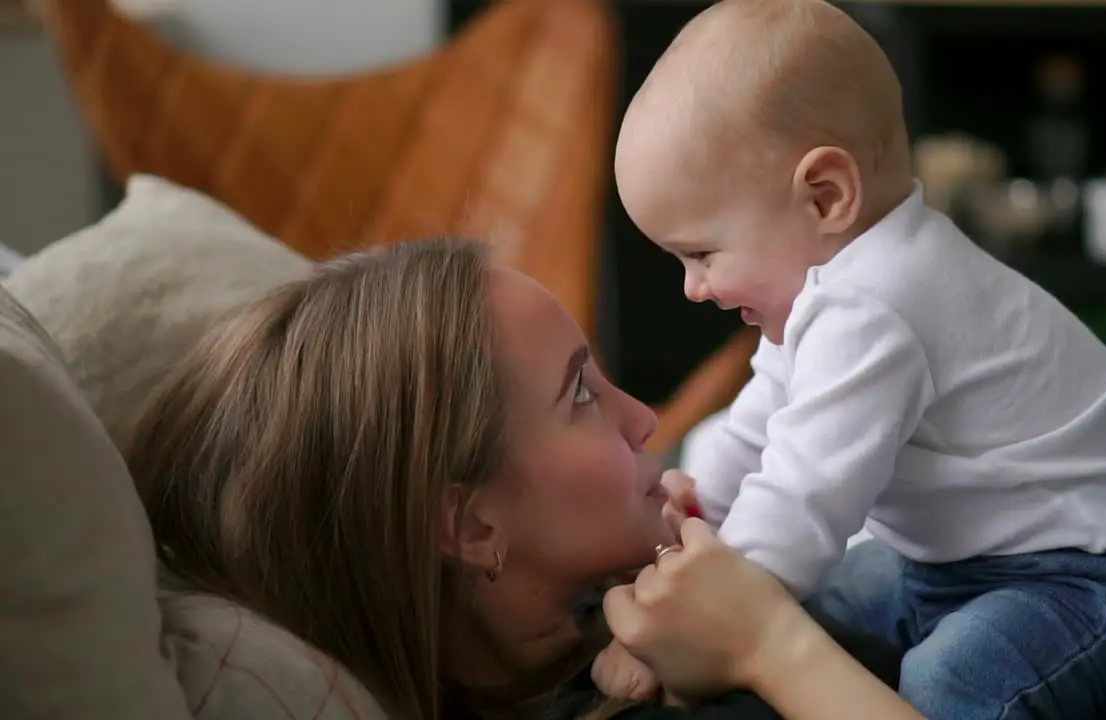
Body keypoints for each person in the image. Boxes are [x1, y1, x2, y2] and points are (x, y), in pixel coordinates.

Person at [605, 0, 1106, 716]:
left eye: (701, 254)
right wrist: (704, 520)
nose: (693, 289)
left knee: (950, 683)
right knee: (832, 594)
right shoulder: (834, 291)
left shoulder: (874, 305)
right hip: (970, 569)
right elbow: (760, 425)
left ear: (825, 196)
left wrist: (686, 632)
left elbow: (803, 495)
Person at [126, 238, 922, 720]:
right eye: (581, 392)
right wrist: (770, 643)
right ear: (472, 527)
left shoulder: (607, 644)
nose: (644, 420)